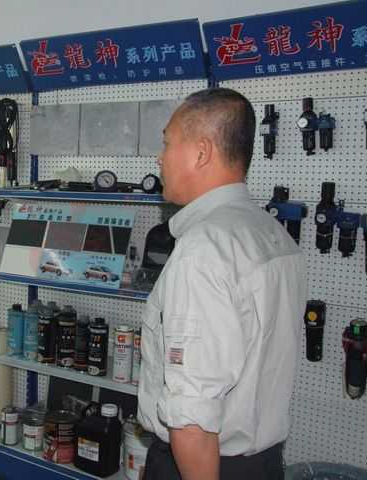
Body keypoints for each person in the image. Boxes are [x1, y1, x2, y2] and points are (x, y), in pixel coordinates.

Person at [138, 88, 306, 480]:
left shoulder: (204, 251)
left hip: (200, 465)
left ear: (201, 152)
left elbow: (192, 421)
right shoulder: (272, 234)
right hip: (261, 465)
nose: (160, 158)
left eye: (167, 143)